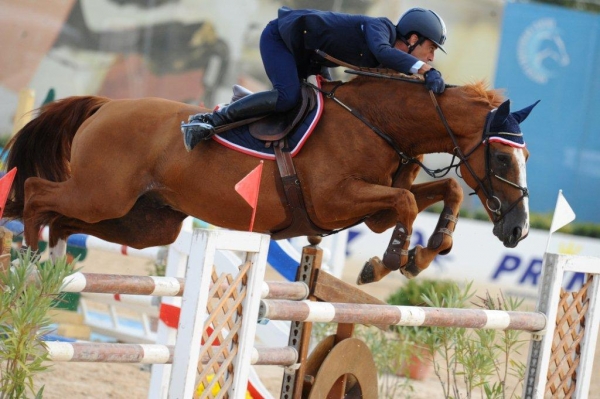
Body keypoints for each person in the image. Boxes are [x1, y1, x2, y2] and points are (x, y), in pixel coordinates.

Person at [182, 7, 448, 151]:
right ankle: (210, 120)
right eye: (431, 48)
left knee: (327, 107)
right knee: (288, 97)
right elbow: (383, 51)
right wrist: (425, 71)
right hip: (280, 39)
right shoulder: (381, 29)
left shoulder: (387, 60)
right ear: (413, 39)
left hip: (310, 57)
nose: (431, 57)